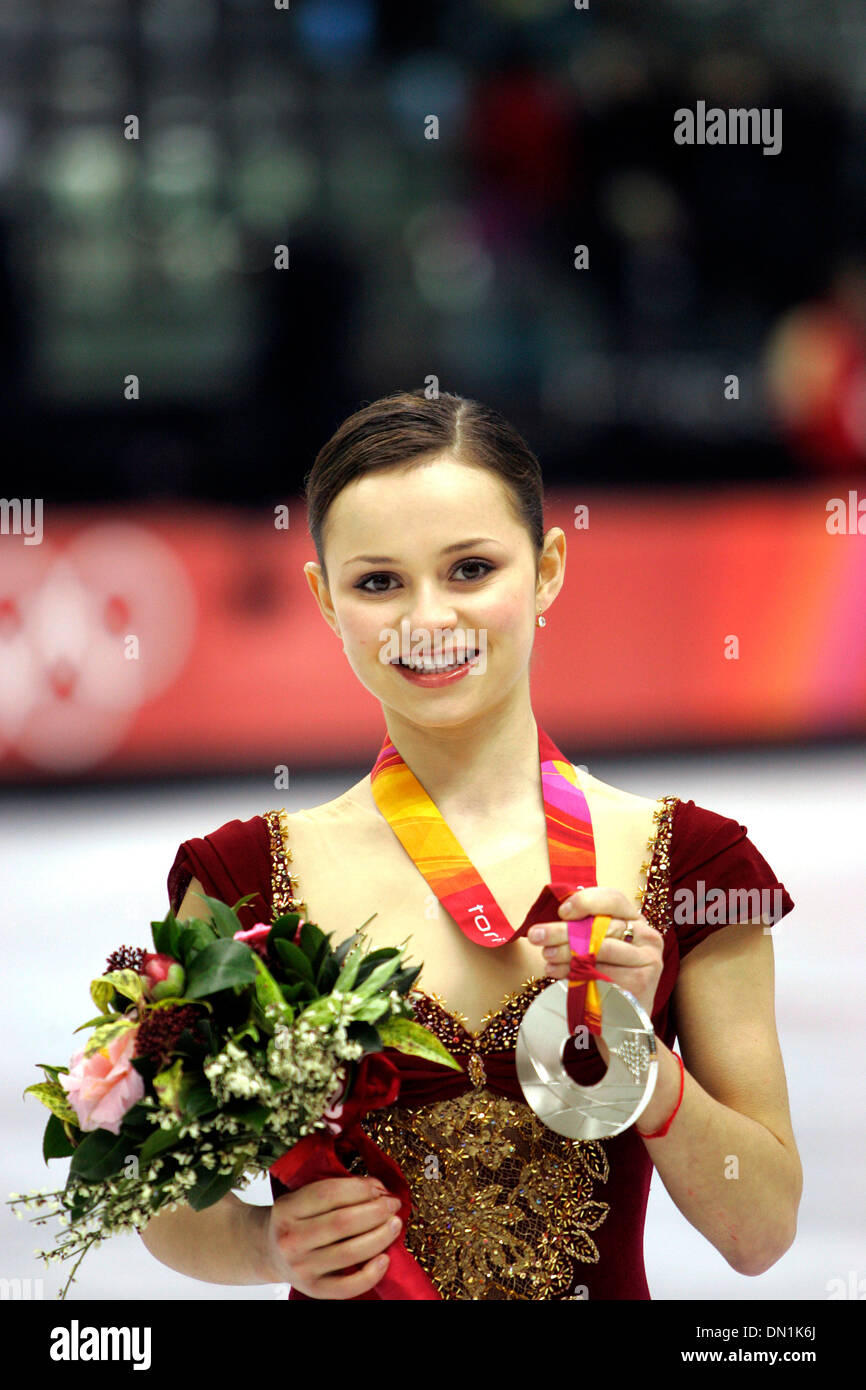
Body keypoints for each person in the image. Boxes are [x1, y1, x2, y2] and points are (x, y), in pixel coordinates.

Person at [139, 388, 802, 1300]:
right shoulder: (240, 882)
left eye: (470, 569)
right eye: (378, 582)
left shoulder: (693, 863)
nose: (427, 619)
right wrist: (262, 1246)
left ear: (549, 566)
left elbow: (761, 1233)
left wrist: (644, 1067)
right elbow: (157, 1198)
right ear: (323, 597)